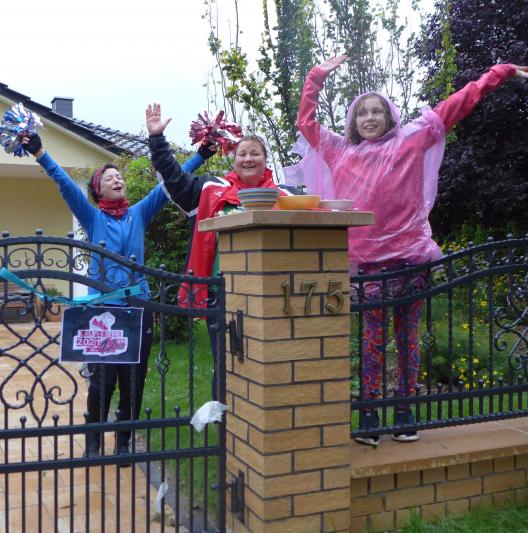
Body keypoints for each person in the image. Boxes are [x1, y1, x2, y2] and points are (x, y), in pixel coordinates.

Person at [291, 55, 528, 445]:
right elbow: (306, 123)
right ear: (353, 120)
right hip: (369, 264)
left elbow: (457, 104)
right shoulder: (339, 151)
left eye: (377, 111)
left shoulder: (411, 139)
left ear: (389, 117)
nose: (369, 117)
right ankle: (369, 416)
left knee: (408, 338)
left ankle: (404, 413)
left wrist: (497, 73)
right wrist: (315, 77)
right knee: (372, 340)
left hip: (411, 259)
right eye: (362, 112)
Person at [20, 125, 212, 459]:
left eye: (119, 176)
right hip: (102, 311)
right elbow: (66, 185)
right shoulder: (92, 216)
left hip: (139, 307)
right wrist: (40, 153)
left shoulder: (139, 213)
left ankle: (124, 441)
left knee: (133, 380)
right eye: (109, 178)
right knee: (102, 380)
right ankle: (94, 439)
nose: (117, 179)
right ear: (98, 189)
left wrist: (201, 155)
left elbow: (170, 184)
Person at [145, 103, 285, 398]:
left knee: (268, 362)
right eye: (242, 154)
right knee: (227, 363)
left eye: (255, 153)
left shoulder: (284, 197)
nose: (248, 158)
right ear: (234, 160)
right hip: (220, 294)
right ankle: (226, 421)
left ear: (265, 160)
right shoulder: (211, 189)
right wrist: (157, 140)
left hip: (270, 293)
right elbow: (174, 179)